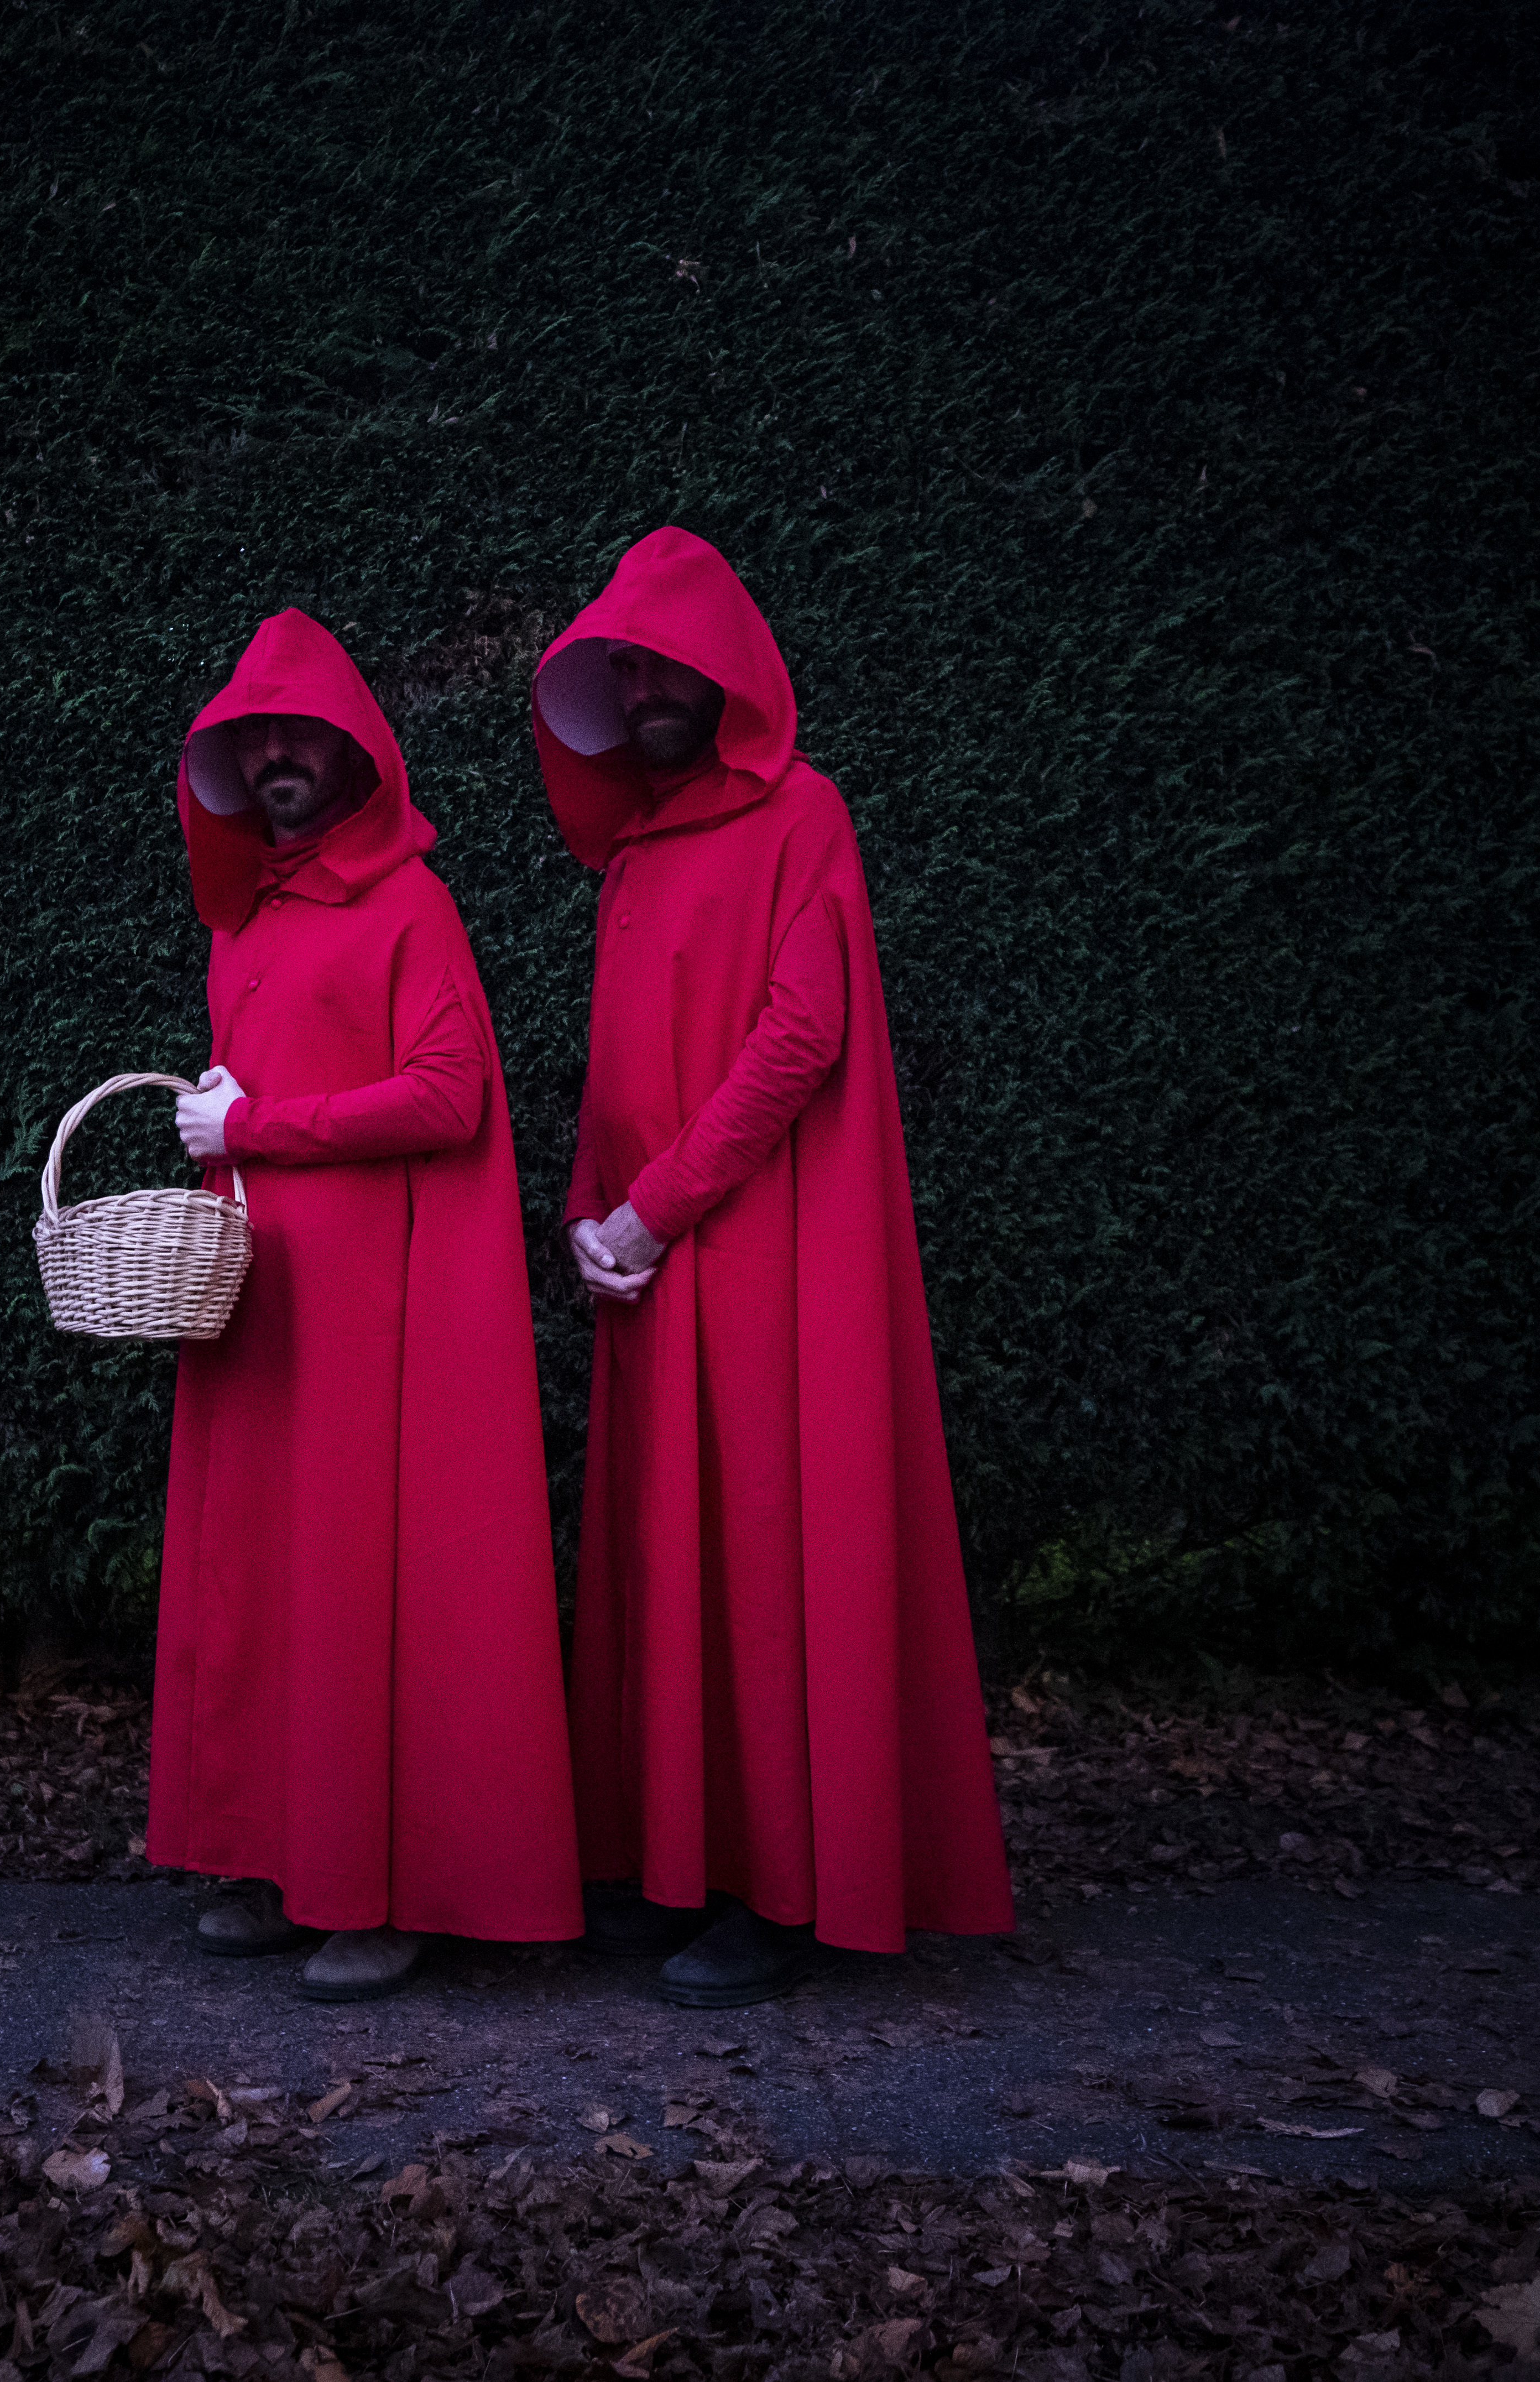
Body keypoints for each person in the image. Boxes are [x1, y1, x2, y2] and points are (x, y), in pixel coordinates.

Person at [533, 527, 1015, 2007]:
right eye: (625, 668)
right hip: (648, 1256)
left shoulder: (803, 815)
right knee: (663, 1562)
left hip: (754, 1262)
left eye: (669, 665)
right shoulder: (637, 844)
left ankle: (786, 1888)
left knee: (758, 1552)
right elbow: (618, 1061)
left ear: (724, 671)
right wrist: (585, 1212)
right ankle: (675, 1862)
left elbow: (797, 1040)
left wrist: (655, 1207)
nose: (647, 690)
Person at [146, 607, 582, 2000]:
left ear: (352, 755)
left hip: (375, 1320)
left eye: (301, 736)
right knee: (273, 1581)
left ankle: (384, 1888)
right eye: (253, 738)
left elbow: (447, 1097)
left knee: (366, 1584)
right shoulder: (248, 920)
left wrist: (256, 1129)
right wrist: (224, 1139)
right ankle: (287, 1860)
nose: (276, 756)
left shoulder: (410, 903)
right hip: (263, 1303)